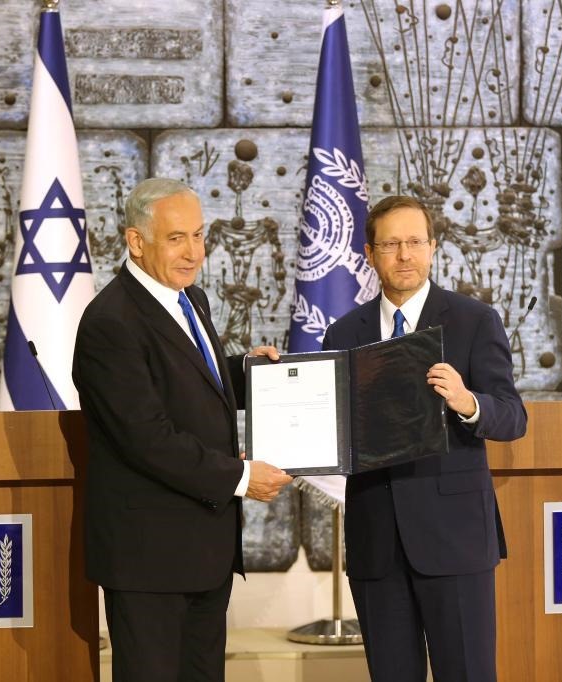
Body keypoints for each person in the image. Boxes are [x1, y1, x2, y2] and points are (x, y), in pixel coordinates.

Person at [72, 177, 293, 682]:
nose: (194, 252)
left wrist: (246, 371)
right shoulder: (111, 321)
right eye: (177, 239)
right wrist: (241, 478)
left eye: (198, 235)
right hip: (149, 561)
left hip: (203, 551)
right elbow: (146, 437)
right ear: (136, 241)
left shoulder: (191, 299)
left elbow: (187, 382)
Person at [322, 195, 527, 682]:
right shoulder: (342, 334)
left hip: (455, 539)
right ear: (369, 254)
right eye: (390, 244)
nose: (404, 255)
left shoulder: (474, 320)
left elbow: (512, 417)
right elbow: (327, 427)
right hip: (376, 544)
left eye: (415, 242)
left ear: (433, 247)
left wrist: (467, 401)